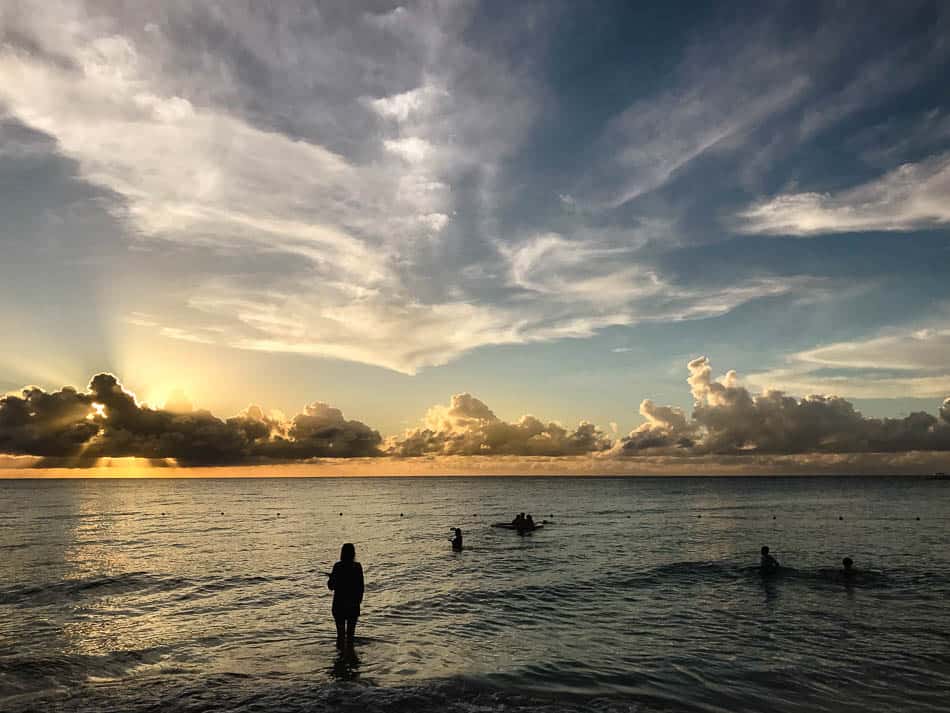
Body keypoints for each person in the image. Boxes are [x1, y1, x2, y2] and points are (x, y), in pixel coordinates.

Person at [327, 543, 364, 651]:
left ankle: (340, 659)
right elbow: (361, 588)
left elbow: (331, 586)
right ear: (353, 554)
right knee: (350, 637)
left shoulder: (338, 566)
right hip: (353, 606)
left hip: (339, 606)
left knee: (340, 636)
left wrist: (332, 577)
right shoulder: (357, 567)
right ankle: (351, 659)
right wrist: (357, 603)